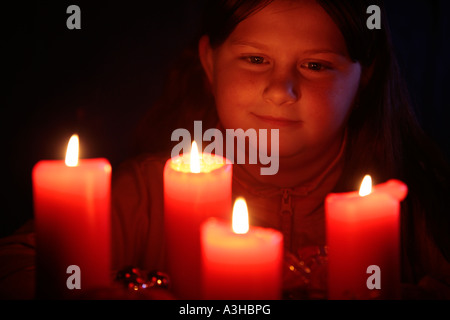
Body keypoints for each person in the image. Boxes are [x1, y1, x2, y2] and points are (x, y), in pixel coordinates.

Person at [1, 0, 449, 299]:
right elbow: (16, 262)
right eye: (256, 59)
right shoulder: (143, 194)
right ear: (209, 63)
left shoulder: (420, 200)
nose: (280, 90)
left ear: (363, 79)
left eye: (315, 65)